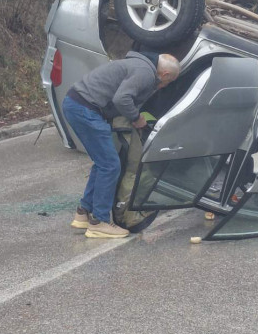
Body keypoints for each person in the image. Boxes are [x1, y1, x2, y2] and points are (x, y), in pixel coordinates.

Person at [62, 51, 180, 238]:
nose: (164, 86)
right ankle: (99, 222)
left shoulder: (136, 64)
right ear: (164, 75)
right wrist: (137, 118)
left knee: (103, 163)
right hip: (86, 110)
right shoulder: (146, 73)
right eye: (168, 82)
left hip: (76, 104)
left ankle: (83, 213)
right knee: (110, 165)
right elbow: (121, 98)